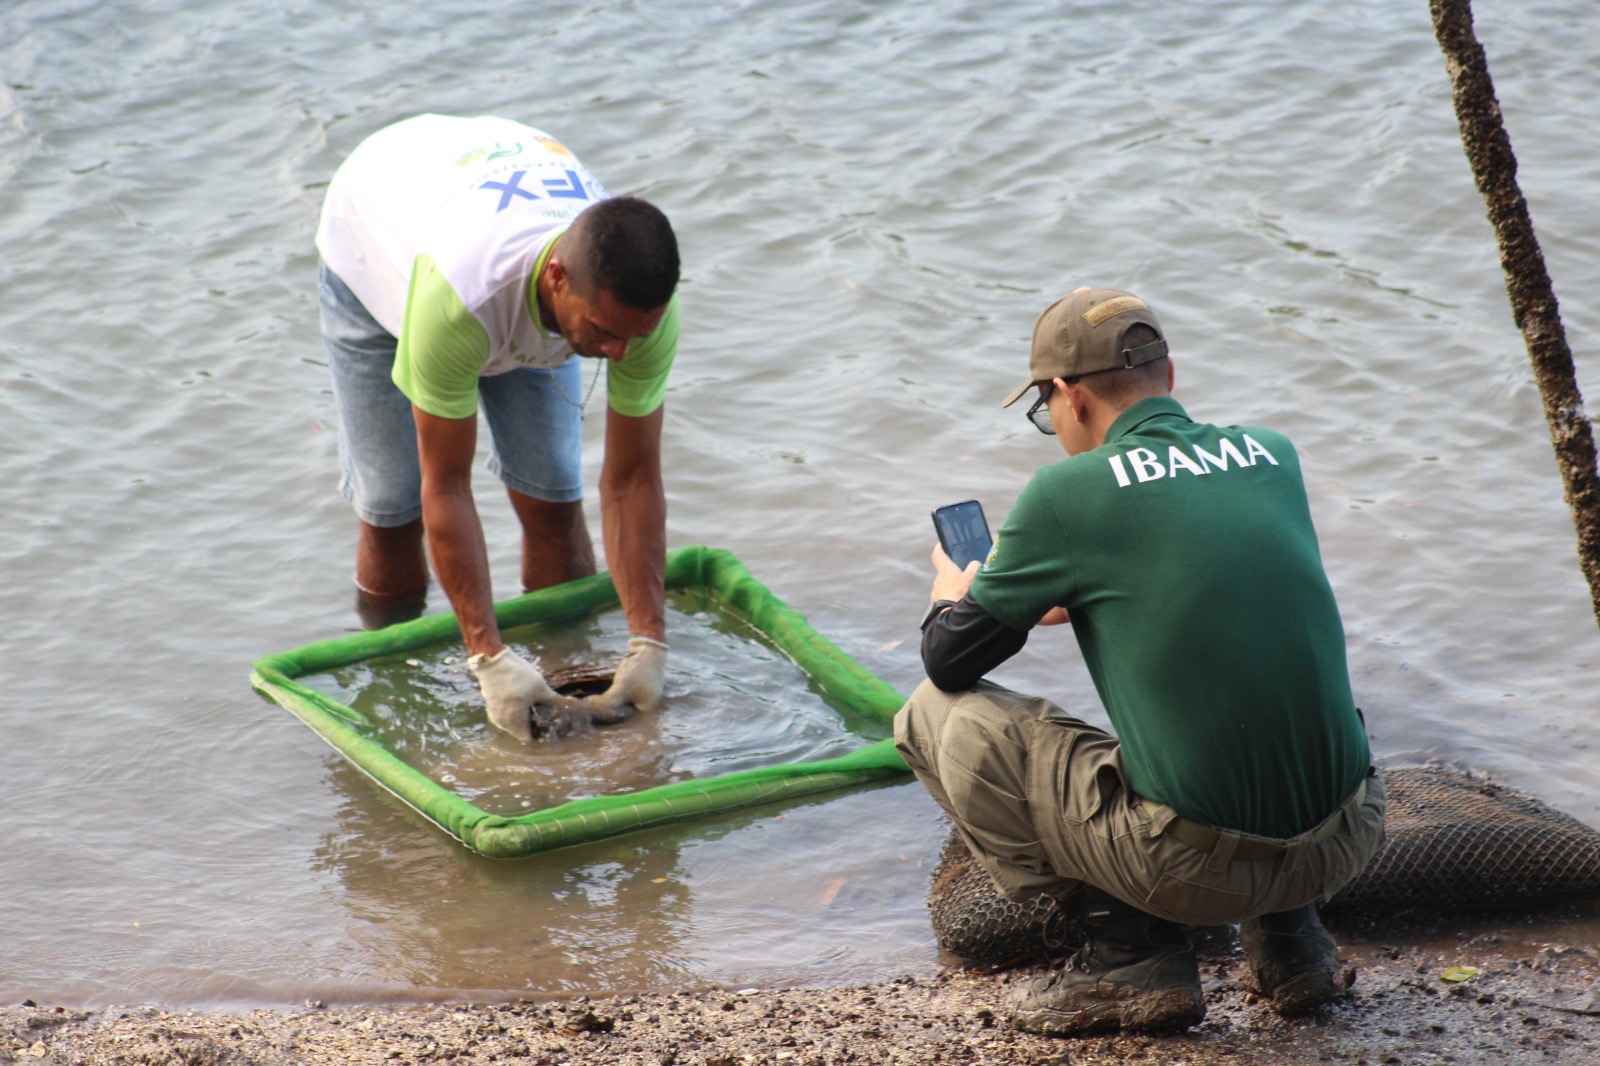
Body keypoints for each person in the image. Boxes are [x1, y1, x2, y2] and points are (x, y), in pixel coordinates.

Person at [894, 287, 1385, 1035]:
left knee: (931, 717)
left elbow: (949, 661)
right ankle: (1293, 943)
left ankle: (1131, 955)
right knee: (1268, 665)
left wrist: (951, 597)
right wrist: (1076, 595)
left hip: (1195, 873)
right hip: (1345, 840)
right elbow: (1213, 582)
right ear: (1170, 375)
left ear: (1070, 396)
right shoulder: (1271, 455)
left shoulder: (1067, 492)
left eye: (1044, 410)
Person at [315, 114, 680, 741]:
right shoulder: (461, 299)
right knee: (393, 506)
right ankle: (394, 693)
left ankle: (564, 677)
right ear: (558, 278)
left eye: (633, 336)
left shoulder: (637, 313)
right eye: (604, 332)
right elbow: (446, 486)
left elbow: (632, 481)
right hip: (375, 244)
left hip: (488, 215)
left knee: (552, 494)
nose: (619, 353)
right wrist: (487, 655)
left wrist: (649, 640)